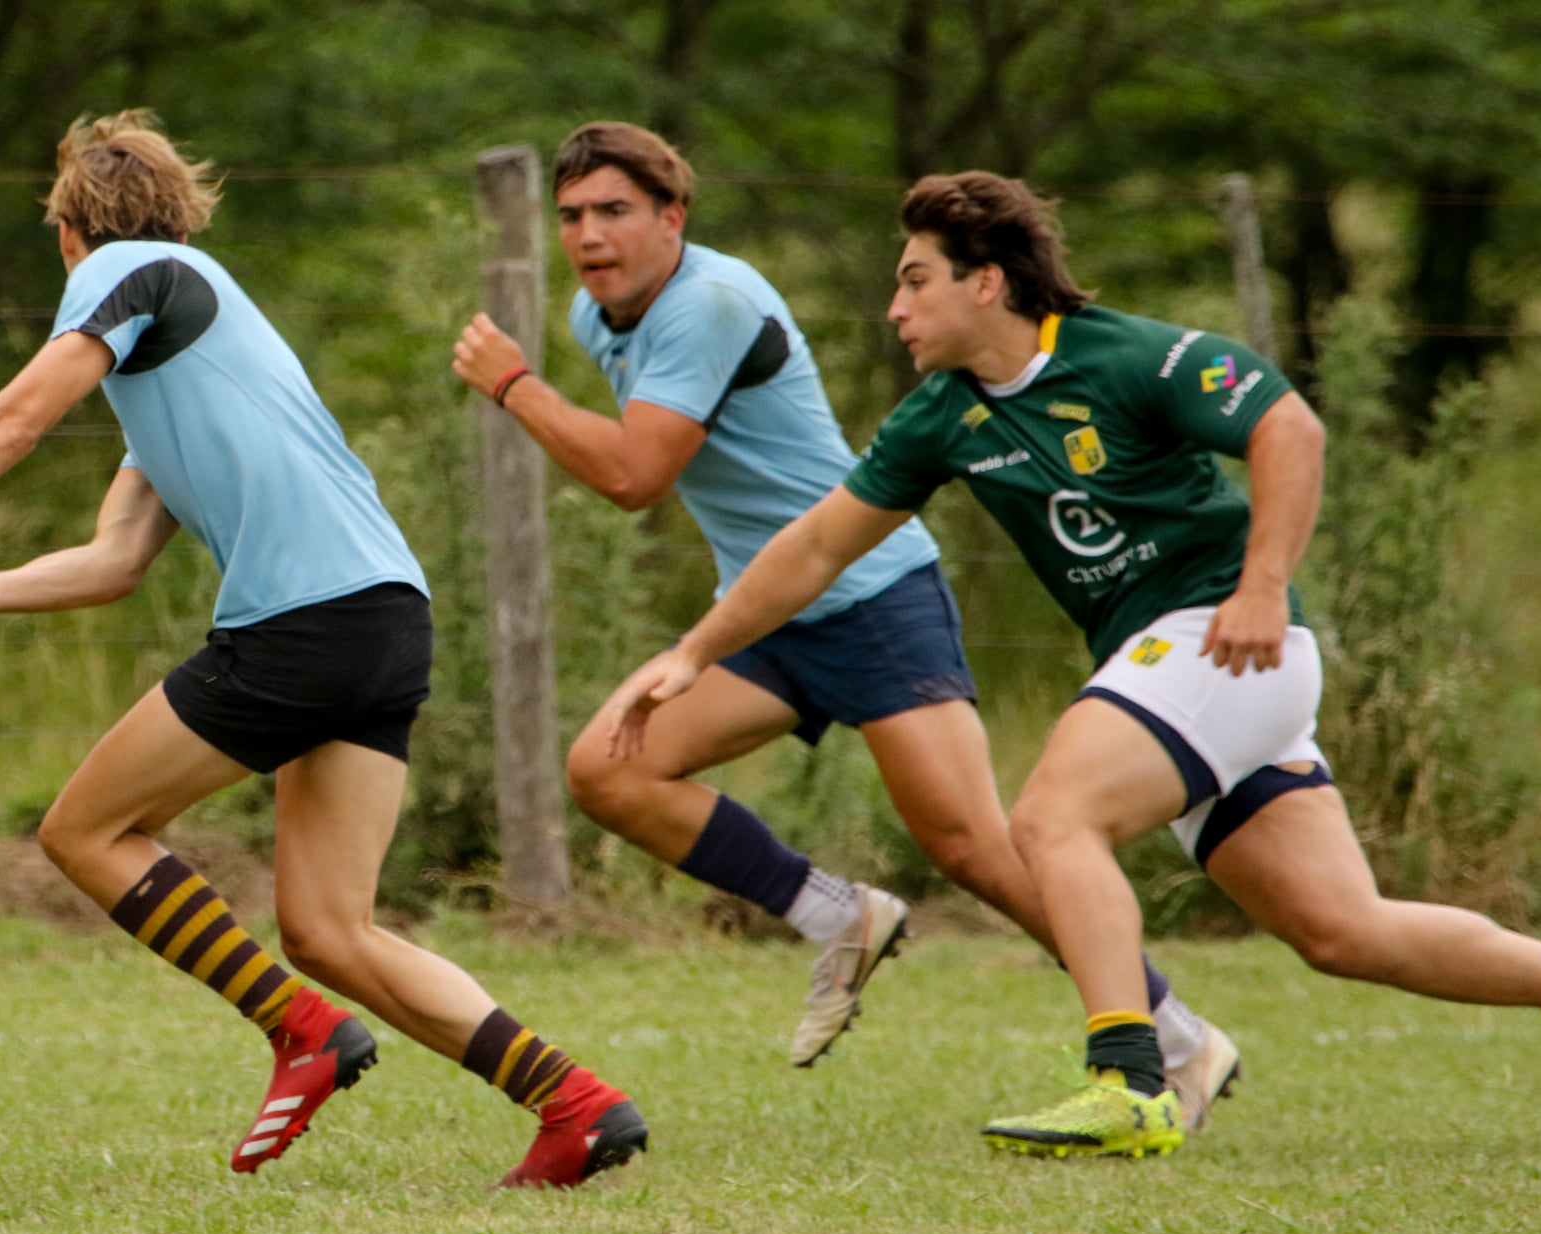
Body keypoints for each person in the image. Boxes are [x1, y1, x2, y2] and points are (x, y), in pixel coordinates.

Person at [595, 168, 1541, 1159]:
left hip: (1224, 640)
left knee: (1050, 817)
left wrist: (1260, 583)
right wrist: (694, 651)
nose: (895, 307)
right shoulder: (944, 414)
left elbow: (1289, 424)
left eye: (916, 281)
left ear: (985, 281)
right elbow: (816, 546)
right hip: (1189, 674)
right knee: (1343, 932)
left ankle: (1130, 1078)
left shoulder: (1121, 356)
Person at [0, 109, 647, 1189]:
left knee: (86, 829)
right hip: (384, 619)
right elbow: (114, 557)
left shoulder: (134, 271)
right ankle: (577, 1103)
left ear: (71, 237)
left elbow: (16, 416)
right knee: (332, 928)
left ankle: (302, 1031)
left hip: (304, 624)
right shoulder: (190, 344)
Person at [449, 122, 1237, 1120]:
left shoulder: (711, 303)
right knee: (609, 766)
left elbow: (633, 475)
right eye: (571, 216)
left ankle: (1177, 1037)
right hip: (767, 610)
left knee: (975, 847)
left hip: (871, 593)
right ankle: (840, 916)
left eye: (614, 211)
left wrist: (515, 386)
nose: (589, 235)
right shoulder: (596, 312)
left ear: (672, 218)